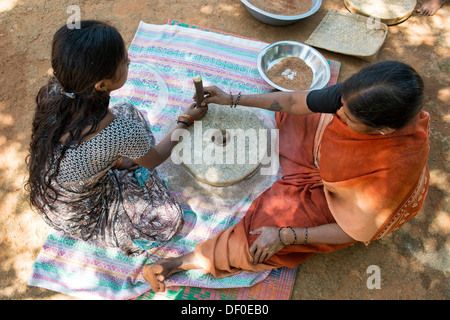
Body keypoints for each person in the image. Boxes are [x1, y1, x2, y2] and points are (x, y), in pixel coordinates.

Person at [143, 61, 430, 292]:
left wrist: (286, 235)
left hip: (344, 200)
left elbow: (354, 231)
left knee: (260, 236)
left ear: (384, 131)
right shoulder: (355, 97)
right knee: (296, 115)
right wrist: (233, 99)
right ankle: (308, 170)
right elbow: (295, 101)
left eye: (350, 119)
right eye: (340, 105)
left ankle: (179, 263)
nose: (339, 113)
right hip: (325, 159)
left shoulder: (391, 175)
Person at [26, 20, 207, 256]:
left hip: (52, 194)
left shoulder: (56, 91)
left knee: (128, 111)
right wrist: (186, 120)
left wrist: (119, 160)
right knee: (167, 221)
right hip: (81, 214)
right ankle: (124, 169)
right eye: (124, 61)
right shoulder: (120, 131)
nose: (128, 60)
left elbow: (87, 147)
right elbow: (155, 159)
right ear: (101, 85)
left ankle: (120, 164)